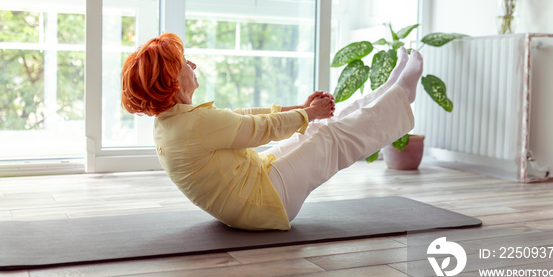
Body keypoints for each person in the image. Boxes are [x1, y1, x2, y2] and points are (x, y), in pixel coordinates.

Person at [121, 33, 422, 231]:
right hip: (263, 202)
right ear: (172, 80)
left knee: (313, 130)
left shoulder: (173, 122)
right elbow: (261, 130)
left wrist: (302, 111)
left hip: (252, 192)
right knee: (327, 138)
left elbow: (242, 117)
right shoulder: (194, 125)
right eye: (185, 62)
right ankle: (399, 96)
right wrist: (308, 112)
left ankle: (391, 93)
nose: (193, 64)